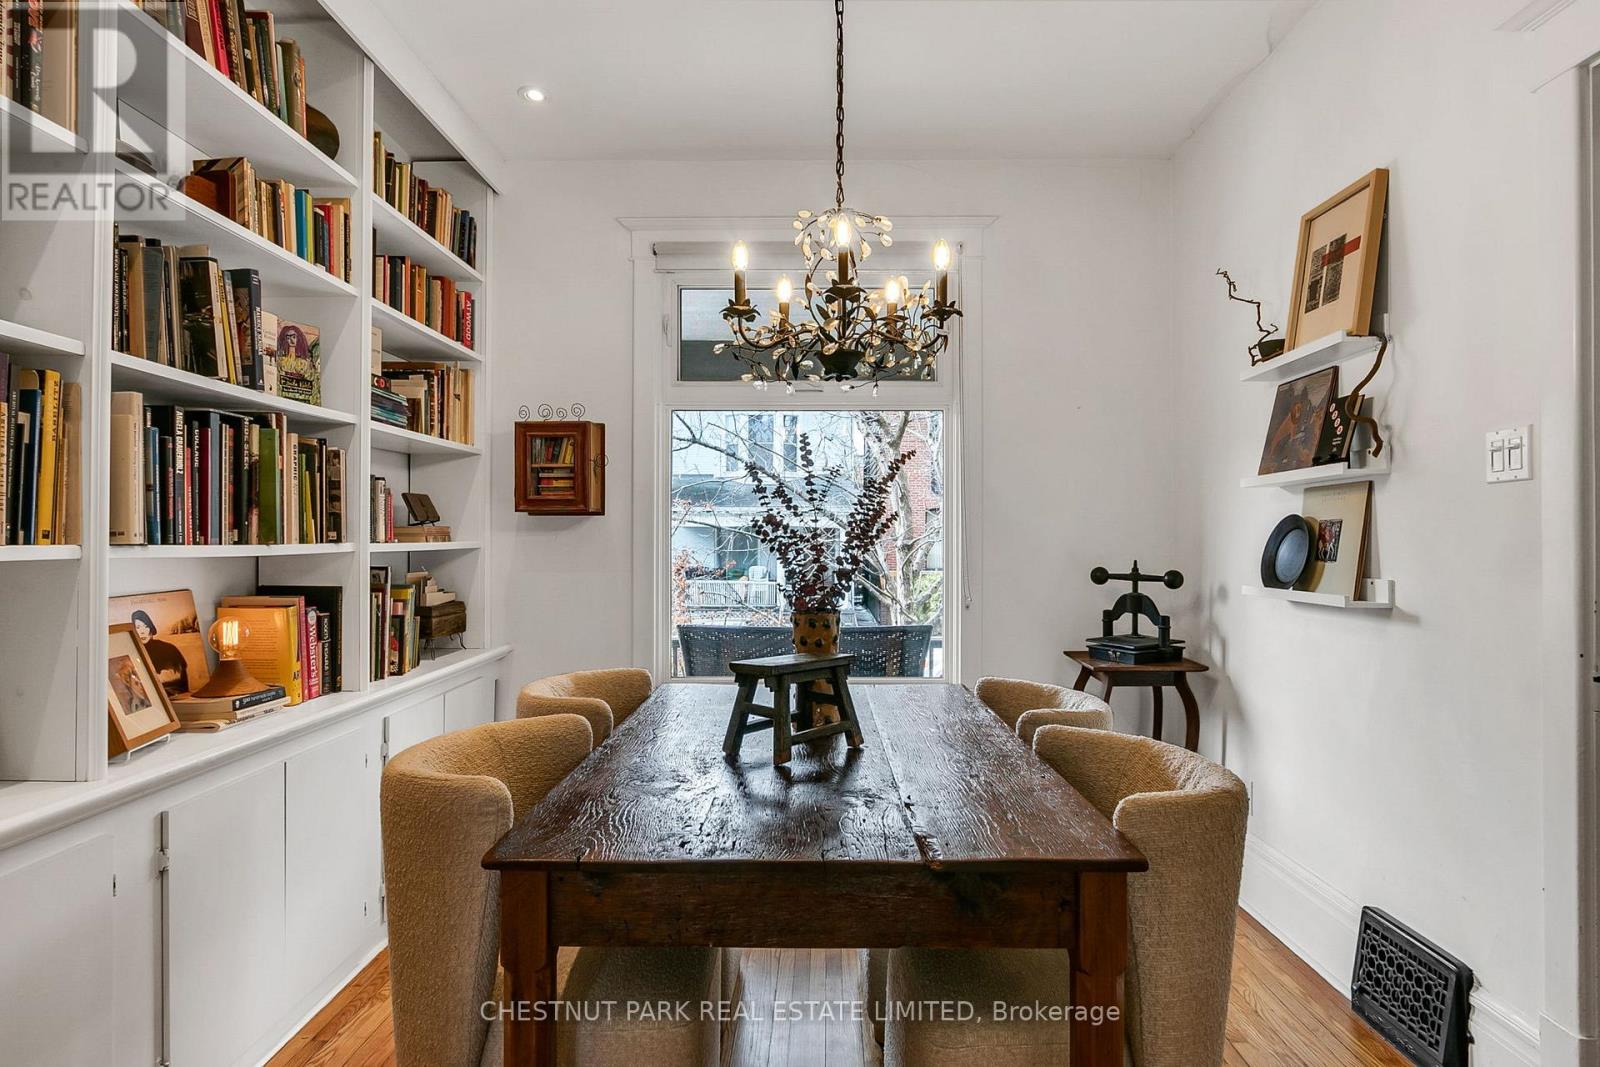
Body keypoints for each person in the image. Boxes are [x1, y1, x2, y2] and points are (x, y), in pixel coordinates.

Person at [131, 609, 190, 695]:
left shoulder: (167, 648)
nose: (142, 631)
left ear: (151, 628)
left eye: (145, 626)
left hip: (175, 694)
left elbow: (175, 675)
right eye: (138, 627)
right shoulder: (134, 652)